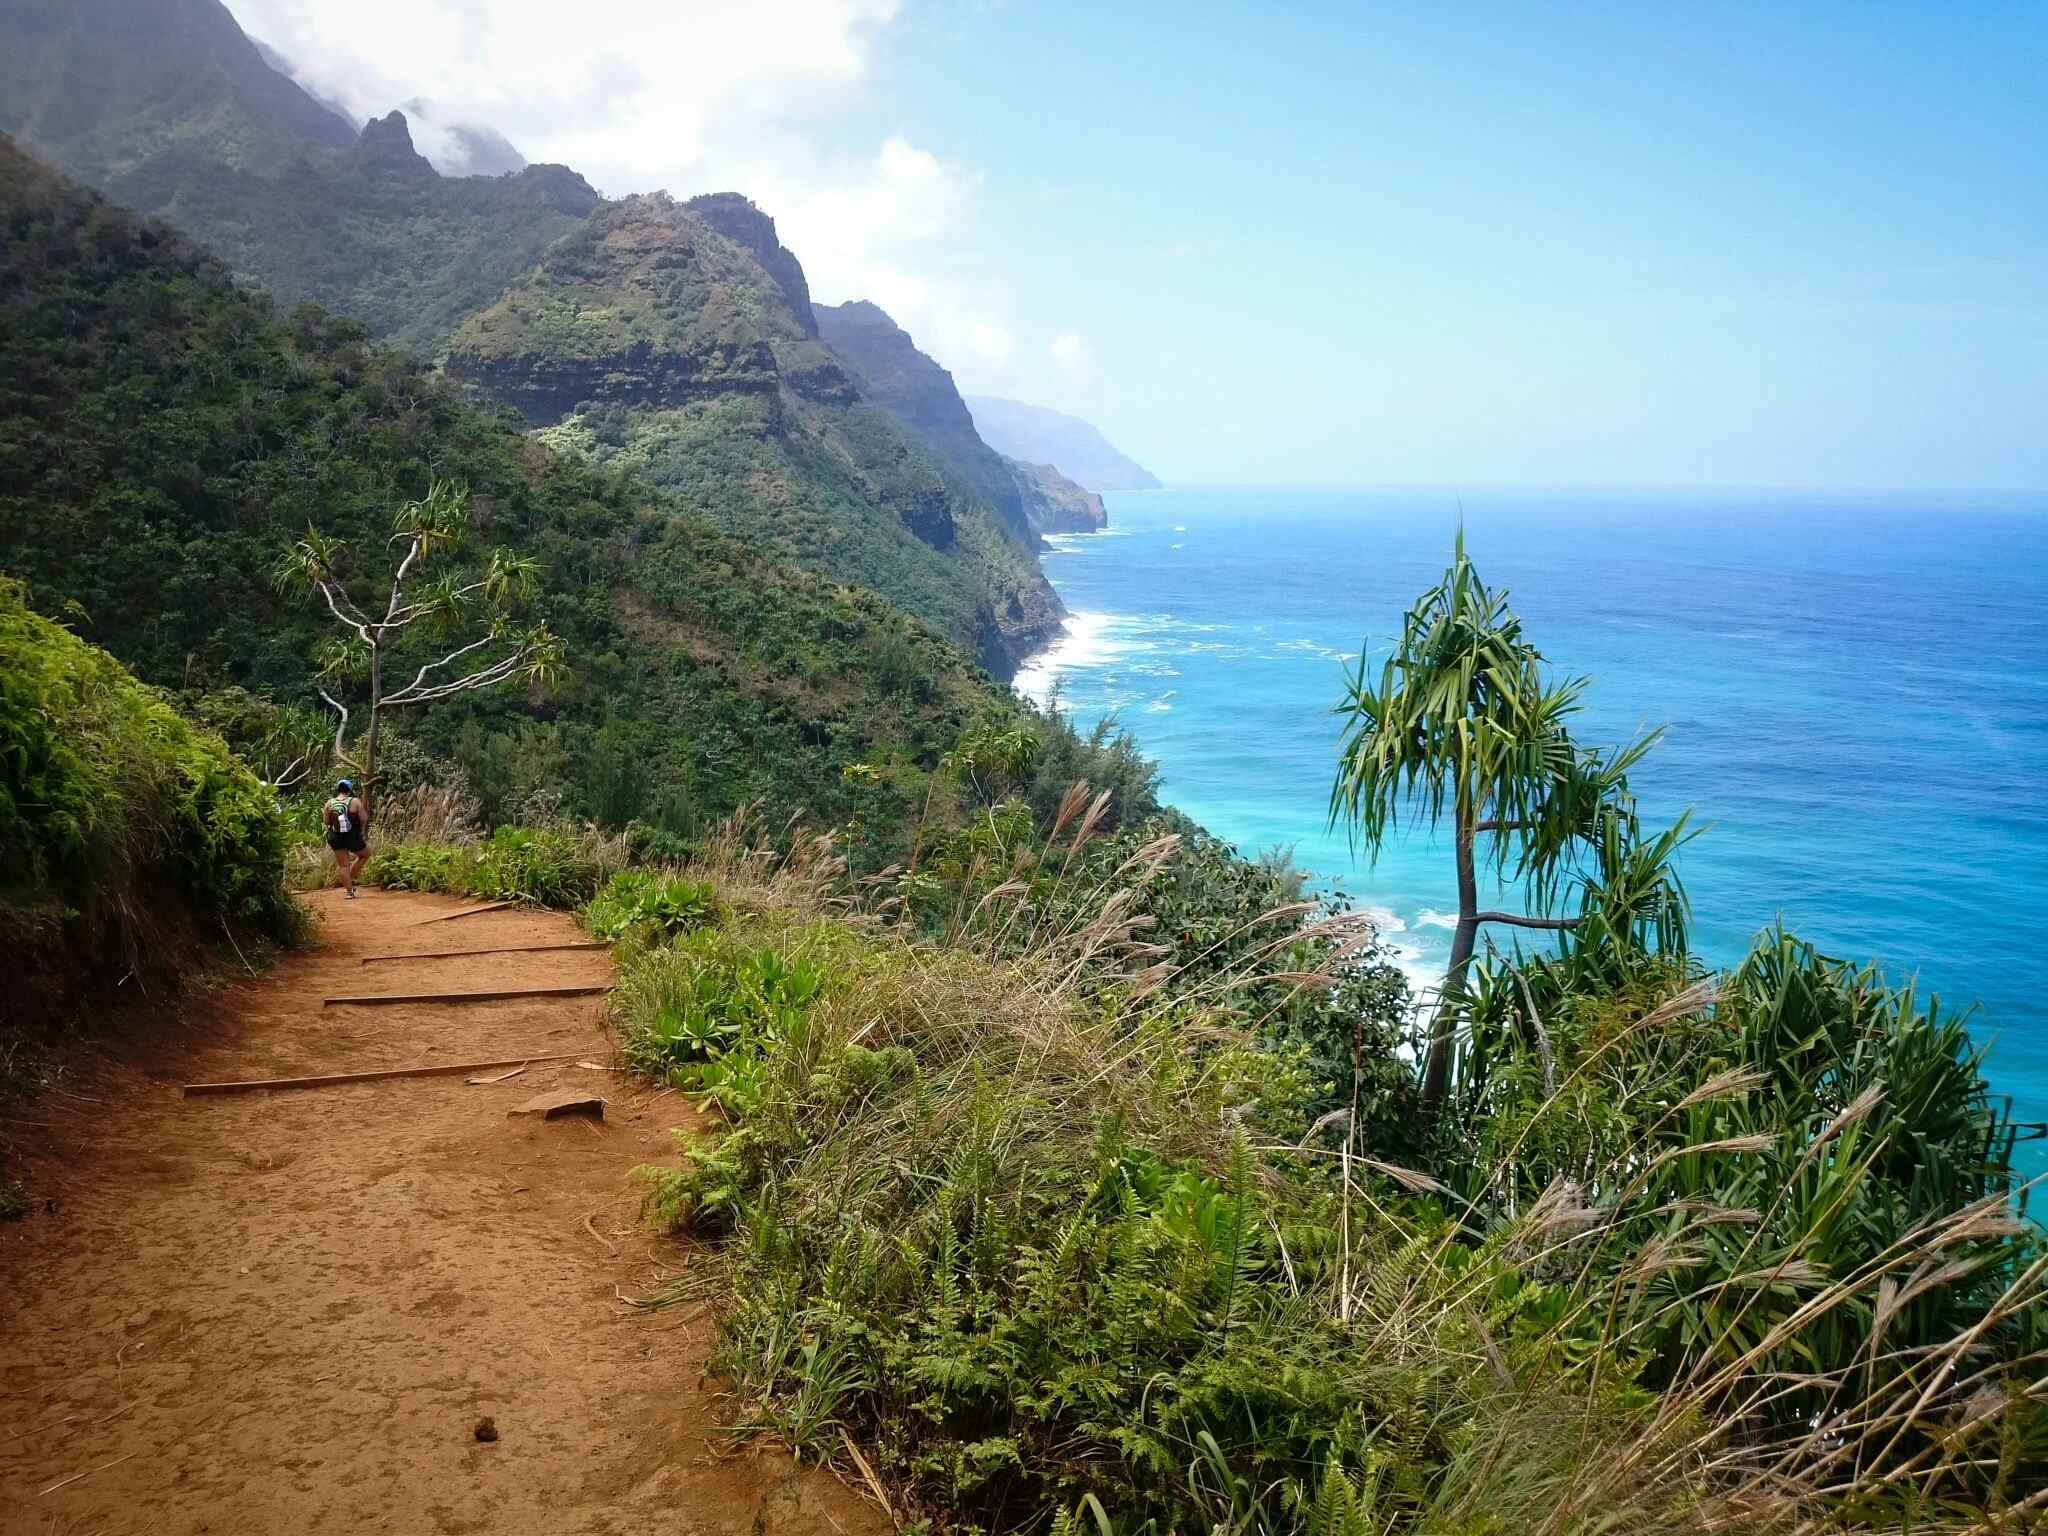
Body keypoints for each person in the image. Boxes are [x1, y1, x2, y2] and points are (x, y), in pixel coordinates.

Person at [322, 779, 369, 898]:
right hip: (352, 835)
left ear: (337, 789)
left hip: (335, 836)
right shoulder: (355, 801)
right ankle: (350, 878)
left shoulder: (329, 803)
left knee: (343, 865)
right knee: (364, 855)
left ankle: (349, 891)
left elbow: (326, 822)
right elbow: (364, 818)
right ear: (349, 789)